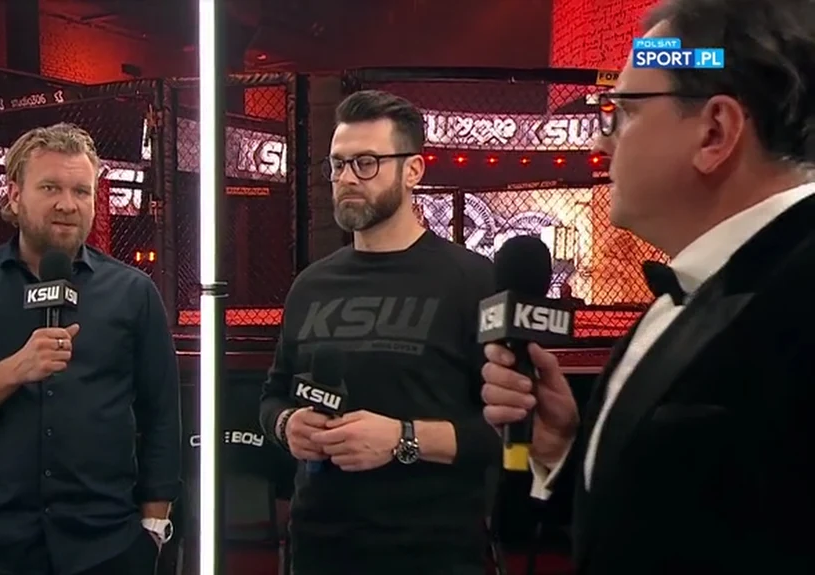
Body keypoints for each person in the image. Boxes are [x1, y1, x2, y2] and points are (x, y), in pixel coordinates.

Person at [480, 1, 815, 573]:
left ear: (715, 131)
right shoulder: (686, 292)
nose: (601, 144)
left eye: (624, 112)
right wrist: (565, 450)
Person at [0, 123, 181, 575]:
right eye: (50, 187)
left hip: (106, 547)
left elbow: (162, 415)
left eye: (81, 191)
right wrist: (15, 369)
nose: (67, 204)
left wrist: (153, 526)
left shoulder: (133, 292)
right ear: (14, 195)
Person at [259, 90, 498, 575]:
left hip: (433, 554)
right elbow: (272, 397)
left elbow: (507, 435)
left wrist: (403, 438)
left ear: (413, 170)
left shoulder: (473, 280)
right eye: (338, 165)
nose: (347, 178)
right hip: (319, 549)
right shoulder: (310, 285)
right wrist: (288, 426)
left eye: (366, 163)